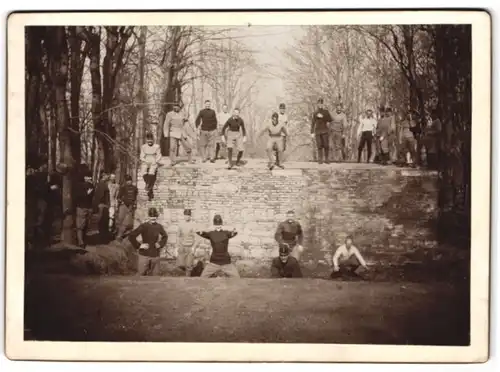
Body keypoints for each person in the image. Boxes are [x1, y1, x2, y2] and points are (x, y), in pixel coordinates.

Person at [128, 207, 168, 276]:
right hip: (144, 255)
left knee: (155, 277)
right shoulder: (144, 226)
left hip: (155, 255)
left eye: (155, 217)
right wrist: (139, 245)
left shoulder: (159, 226)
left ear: (157, 217)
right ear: (148, 216)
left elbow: (165, 236)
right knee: (140, 275)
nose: (153, 218)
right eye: (151, 216)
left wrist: (160, 244)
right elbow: (131, 236)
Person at [176, 209, 199, 276]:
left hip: (190, 247)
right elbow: (178, 236)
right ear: (184, 216)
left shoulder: (193, 224)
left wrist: (194, 247)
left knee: (189, 265)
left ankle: (188, 278)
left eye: (188, 215)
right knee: (180, 264)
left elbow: (196, 237)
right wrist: (177, 246)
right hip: (182, 247)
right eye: (186, 215)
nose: (187, 217)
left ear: (190, 216)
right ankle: (187, 272)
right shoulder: (181, 224)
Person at [74, 171, 95, 248]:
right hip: (81, 207)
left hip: (88, 207)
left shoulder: (91, 185)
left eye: (90, 177)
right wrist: (86, 193)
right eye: (88, 177)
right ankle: (80, 242)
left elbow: (93, 196)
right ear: (85, 177)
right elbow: (78, 196)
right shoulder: (79, 185)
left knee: (86, 225)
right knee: (80, 225)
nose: (90, 178)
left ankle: (83, 240)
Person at [115, 175, 138, 240]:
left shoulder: (135, 188)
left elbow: (135, 197)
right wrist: (121, 201)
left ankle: (119, 236)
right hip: (123, 206)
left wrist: (134, 204)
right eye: (127, 181)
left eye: (129, 180)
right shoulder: (123, 188)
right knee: (120, 220)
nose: (128, 182)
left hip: (130, 206)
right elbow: (118, 197)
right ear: (125, 181)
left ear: (131, 181)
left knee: (126, 222)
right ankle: (118, 233)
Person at [140, 132, 162, 200]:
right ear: (146, 140)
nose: (149, 141)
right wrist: (143, 160)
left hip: (153, 159)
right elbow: (141, 155)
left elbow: (159, 155)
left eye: (151, 139)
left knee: (151, 172)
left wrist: (156, 161)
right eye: (148, 139)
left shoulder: (156, 146)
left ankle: (148, 185)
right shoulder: (143, 146)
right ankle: (149, 185)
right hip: (146, 159)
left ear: (153, 139)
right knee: (143, 171)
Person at [311, 98, 333, 164]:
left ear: (323, 104)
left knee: (326, 145)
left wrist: (323, 116)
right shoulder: (315, 112)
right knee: (319, 145)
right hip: (317, 131)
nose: (320, 105)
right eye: (319, 103)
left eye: (321, 103)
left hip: (325, 131)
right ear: (317, 104)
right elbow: (313, 122)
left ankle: (326, 159)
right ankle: (320, 159)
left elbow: (330, 120)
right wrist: (311, 132)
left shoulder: (326, 112)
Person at [93, 173, 111, 243]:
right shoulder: (101, 184)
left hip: (103, 205)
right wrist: (103, 205)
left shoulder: (103, 183)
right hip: (102, 205)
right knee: (103, 221)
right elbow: (100, 195)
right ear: (103, 176)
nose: (108, 177)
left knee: (104, 221)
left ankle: (103, 237)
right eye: (107, 175)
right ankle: (102, 238)